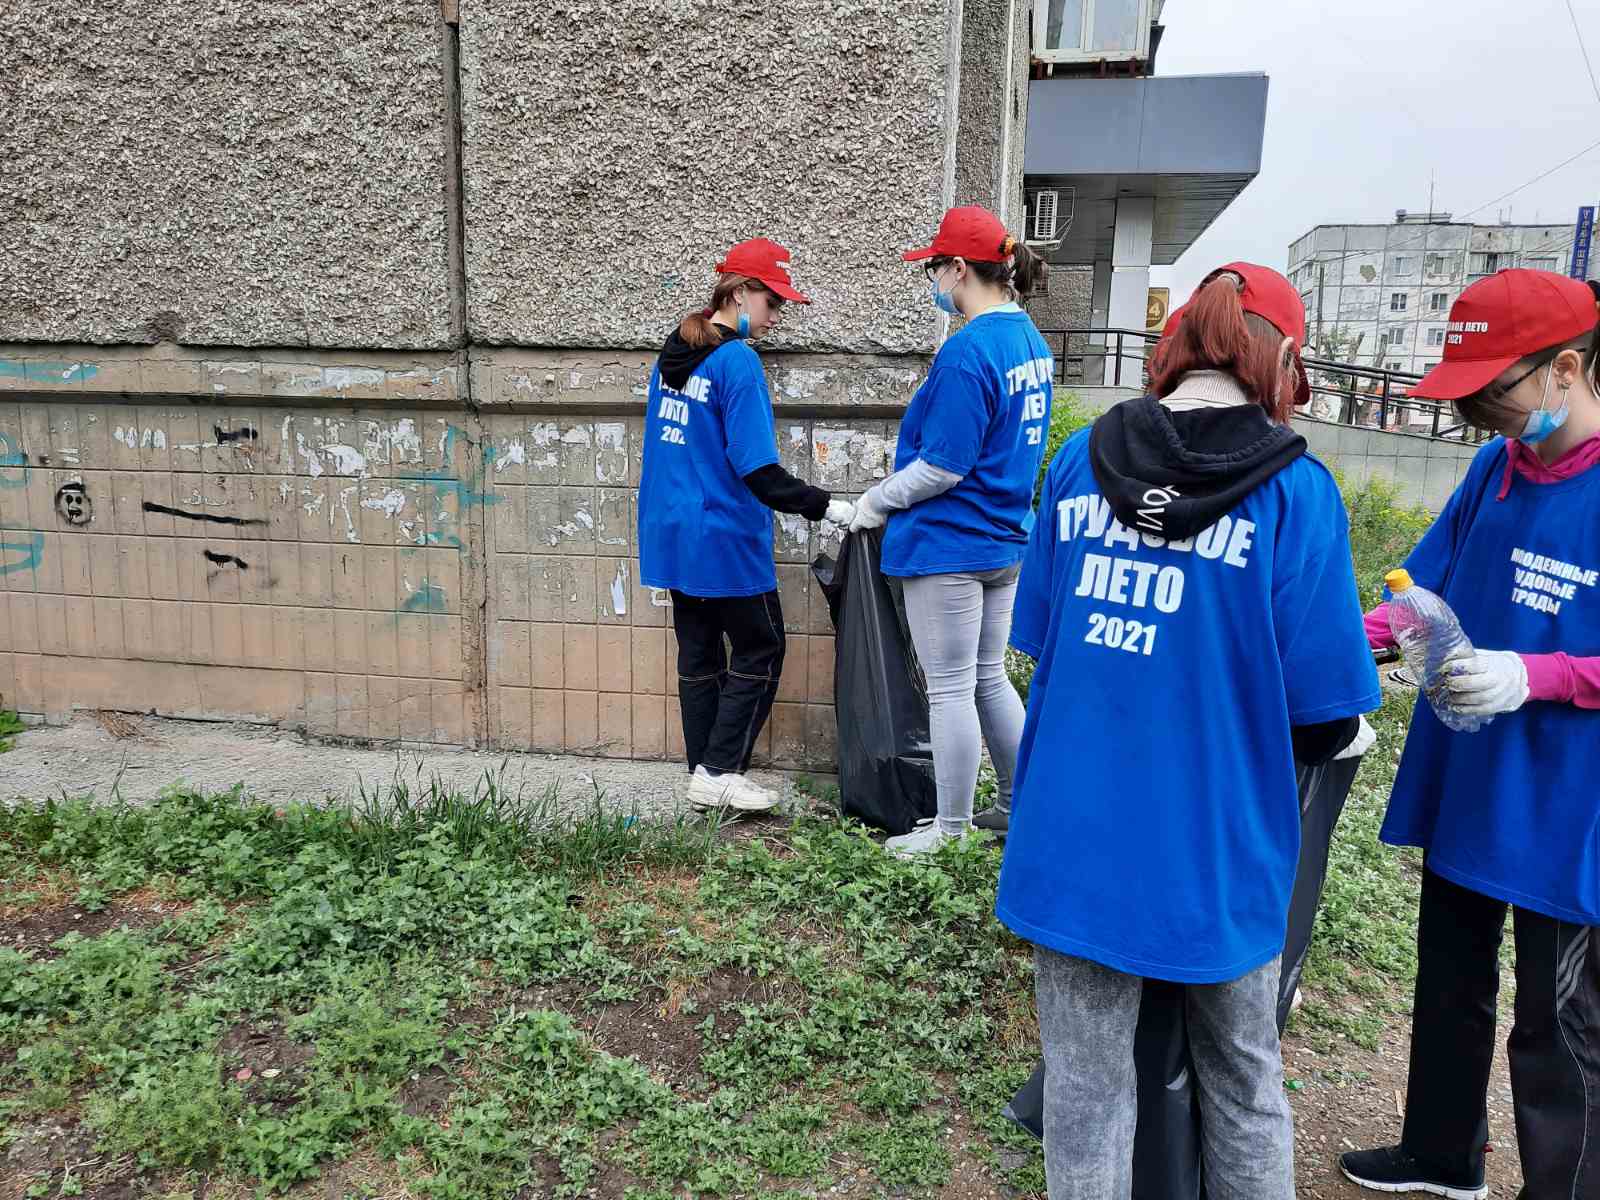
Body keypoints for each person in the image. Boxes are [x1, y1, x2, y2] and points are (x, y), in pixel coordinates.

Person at [995, 263, 1381, 1199]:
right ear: (1280, 360)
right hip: (1219, 850)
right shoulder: (1297, 495)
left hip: (1073, 839)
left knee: (1085, 1092)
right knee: (1243, 1085)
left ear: (1175, 351)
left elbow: (1040, 641)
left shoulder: (1078, 464)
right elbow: (1327, 714)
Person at [1338, 270, 1600, 1200]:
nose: (1486, 412)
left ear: (1565, 369)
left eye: (1500, 388)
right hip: (1470, 771)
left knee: (1556, 1017)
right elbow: (1421, 590)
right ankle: (1442, 1153)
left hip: (1566, 794)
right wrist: (1335, 646)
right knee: (1449, 971)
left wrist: (1536, 674)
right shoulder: (1495, 471)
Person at [847, 204, 1052, 855]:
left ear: (959, 268)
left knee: (953, 688)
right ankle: (1021, 808)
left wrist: (874, 503)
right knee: (989, 677)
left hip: (951, 544)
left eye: (934, 269)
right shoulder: (1030, 342)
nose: (931, 281)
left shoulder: (968, 353)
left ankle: (951, 831)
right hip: (1003, 538)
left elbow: (942, 465)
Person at [638, 238, 854, 813]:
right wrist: (825, 505)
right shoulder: (737, 361)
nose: (777, 317)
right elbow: (756, 467)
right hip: (723, 535)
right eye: (772, 302)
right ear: (738, 294)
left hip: (673, 532)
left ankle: (703, 773)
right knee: (762, 646)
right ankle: (720, 769)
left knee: (700, 655)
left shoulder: (674, 354)